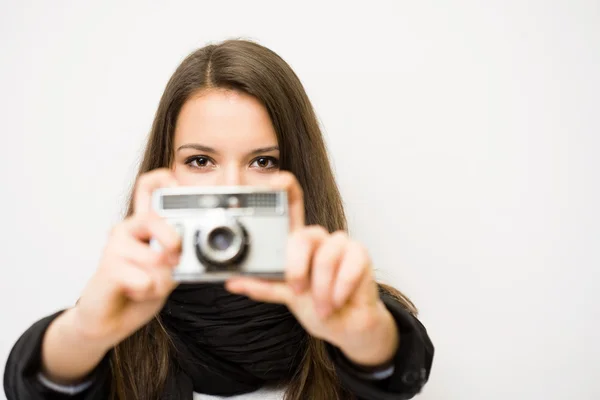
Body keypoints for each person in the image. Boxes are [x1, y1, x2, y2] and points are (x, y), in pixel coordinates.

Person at [4, 39, 434, 400]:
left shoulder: (344, 303)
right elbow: (38, 382)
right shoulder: (122, 314)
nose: (232, 193)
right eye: (200, 160)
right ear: (165, 173)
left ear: (299, 174)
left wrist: (364, 339)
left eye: (263, 161)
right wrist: (84, 333)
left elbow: (397, 357)